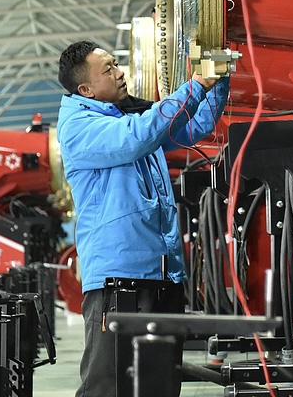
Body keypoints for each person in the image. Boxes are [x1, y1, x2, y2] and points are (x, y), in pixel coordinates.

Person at [56, 40, 229, 397]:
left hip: (161, 273)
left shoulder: (126, 114)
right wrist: (196, 84)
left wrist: (218, 78)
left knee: (159, 387)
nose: (120, 73)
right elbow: (138, 139)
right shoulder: (81, 127)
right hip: (120, 282)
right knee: (111, 387)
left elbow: (195, 127)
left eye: (116, 64)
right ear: (85, 89)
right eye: (108, 70)